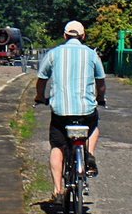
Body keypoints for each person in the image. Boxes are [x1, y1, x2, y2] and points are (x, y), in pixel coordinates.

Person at [35, 20, 106, 203]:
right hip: (85, 111)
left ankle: (58, 190)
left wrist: (40, 97)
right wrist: (100, 98)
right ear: (83, 36)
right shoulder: (91, 54)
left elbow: (41, 79)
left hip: (61, 112)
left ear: (65, 35)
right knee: (93, 128)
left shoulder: (53, 54)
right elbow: (101, 82)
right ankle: (89, 154)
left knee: (57, 145)